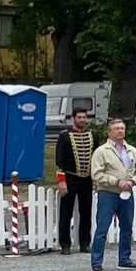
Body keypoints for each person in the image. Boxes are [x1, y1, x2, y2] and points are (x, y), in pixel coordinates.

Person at [86, 118, 136, 271]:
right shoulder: (101, 152)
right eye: (117, 128)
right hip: (108, 193)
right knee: (102, 228)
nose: (120, 131)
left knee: (127, 227)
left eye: (122, 128)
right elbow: (97, 174)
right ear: (109, 132)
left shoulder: (132, 150)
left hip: (127, 192)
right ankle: (96, 261)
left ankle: (124, 259)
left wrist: (133, 181)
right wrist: (117, 182)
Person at [53, 108, 97, 253]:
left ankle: (85, 243)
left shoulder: (93, 135)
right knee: (66, 213)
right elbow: (59, 159)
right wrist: (61, 180)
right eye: (79, 117)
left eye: (84, 117)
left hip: (87, 179)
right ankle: (65, 244)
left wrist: (96, 178)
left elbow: (96, 158)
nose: (82, 120)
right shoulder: (65, 136)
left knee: (86, 212)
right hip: (70, 178)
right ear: (73, 118)